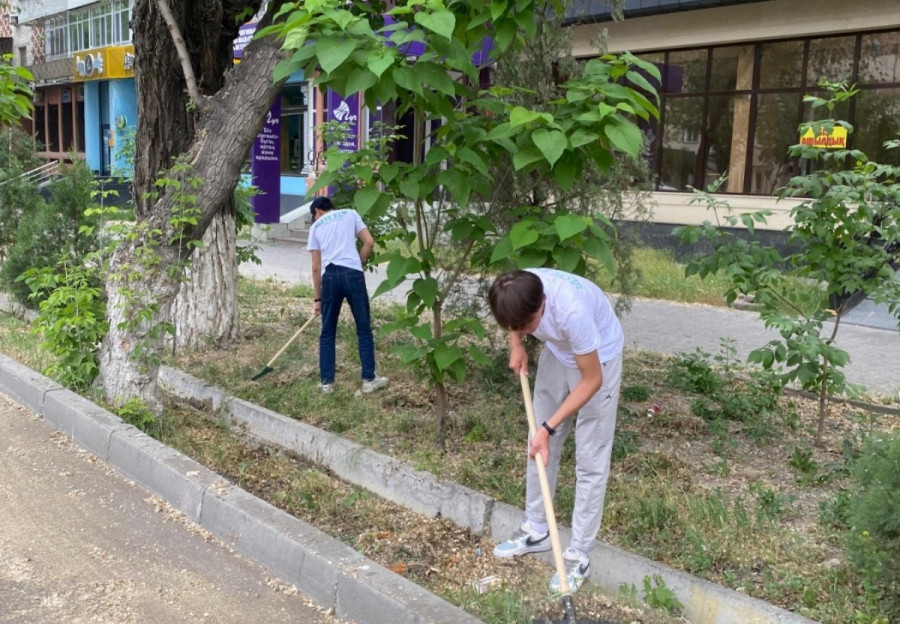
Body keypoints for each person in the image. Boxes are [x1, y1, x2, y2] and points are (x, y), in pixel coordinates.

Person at [487, 268, 623, 593]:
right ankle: (537, 529)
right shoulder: (517, 286)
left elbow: (592, 380)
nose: (520, 330)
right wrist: (516, 344)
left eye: (526, 326)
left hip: (597, 359)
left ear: (543, 304)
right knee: (537, 443)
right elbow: (512, 319)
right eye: (513, 326)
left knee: (590, 457)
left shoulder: (571, 311)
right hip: (559, 352)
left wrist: (550, 425)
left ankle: (579, 554)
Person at [307, 195, 388, 395]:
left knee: (327, 332)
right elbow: (369, 242)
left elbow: (316, 268)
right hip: (353, 274)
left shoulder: (316, 227)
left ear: (317, 211)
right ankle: (369, 379)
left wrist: (318, 299)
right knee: (363, 328)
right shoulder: (351, 214)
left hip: (331, 277)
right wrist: (356, 265)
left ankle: (327, 383)